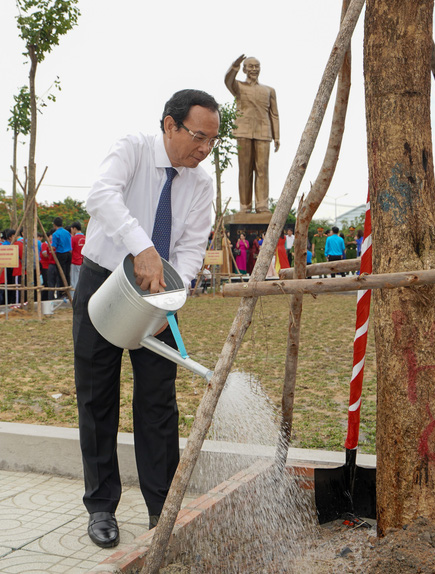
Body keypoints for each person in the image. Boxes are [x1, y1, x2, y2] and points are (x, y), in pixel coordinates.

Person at [73, 89, 219, 549]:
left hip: (160, 297)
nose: (204, 149)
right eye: (198, 136)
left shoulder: (202, 182)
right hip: (104, 282)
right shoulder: (133, 148)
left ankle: (162, 510)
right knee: (97, 397)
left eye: (212, 141)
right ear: (170, 125)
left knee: (159, 403)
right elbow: (100, 195)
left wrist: (172, 303)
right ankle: (101, 507)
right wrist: (143, 246)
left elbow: (194, 246)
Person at [224, 55, 280, 213]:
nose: (254, 69)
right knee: (245, 170)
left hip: (264, 132)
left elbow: (274, 114)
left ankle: (262, 205)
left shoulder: (269, 90)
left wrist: (277, 136)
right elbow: (227, 81)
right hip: (243, 131)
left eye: (257, 66)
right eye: (250, 66)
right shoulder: (239, 86)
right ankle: (245, 206)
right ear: (244, 69)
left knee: (263, 170)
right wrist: (234, 66)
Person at [51, 217, 72, 299]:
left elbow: (53, 247)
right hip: (69, 254)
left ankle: (62, 293)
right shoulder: (67, 232)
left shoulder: (55, 234)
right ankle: (67, 291)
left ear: (54, 225)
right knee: (67, 273)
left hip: (61, 254)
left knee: (61, 273)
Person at [70, 222, 85, 291]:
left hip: (75, 261)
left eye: (72, 229)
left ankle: (73, 297)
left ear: (74, 229)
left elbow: (70, 250)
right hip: (83, 262)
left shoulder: (73, 238)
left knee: (74, 281)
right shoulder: (85, 238)